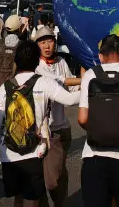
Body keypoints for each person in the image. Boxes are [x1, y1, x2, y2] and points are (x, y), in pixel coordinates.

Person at [0, 39, 81, 207]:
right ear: (36, 61)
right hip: (34, 153)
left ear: (16, 61)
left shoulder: (6, 87)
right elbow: (70, 99)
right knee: (31, 200)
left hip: (9, 156)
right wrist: (92, 88)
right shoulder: (43, 82)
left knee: (18, 198)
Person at [78, 34, 119, 207]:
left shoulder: (90, 75)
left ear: (100, 57)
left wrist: (100, 130)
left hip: (94, 156)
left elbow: (82, 118)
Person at [34, 26, 81, 207]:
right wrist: (83, 80)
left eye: (50, 41)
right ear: (37, 45)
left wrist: (82, 83)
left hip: (61, 128)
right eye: (42, 42)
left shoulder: (61, 61)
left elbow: (71, 88)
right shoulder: (36, 66)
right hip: (41, 131)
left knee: (58, 174)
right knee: (42, 174)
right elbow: (60, 83)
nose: (47, 46)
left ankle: (60, 202)